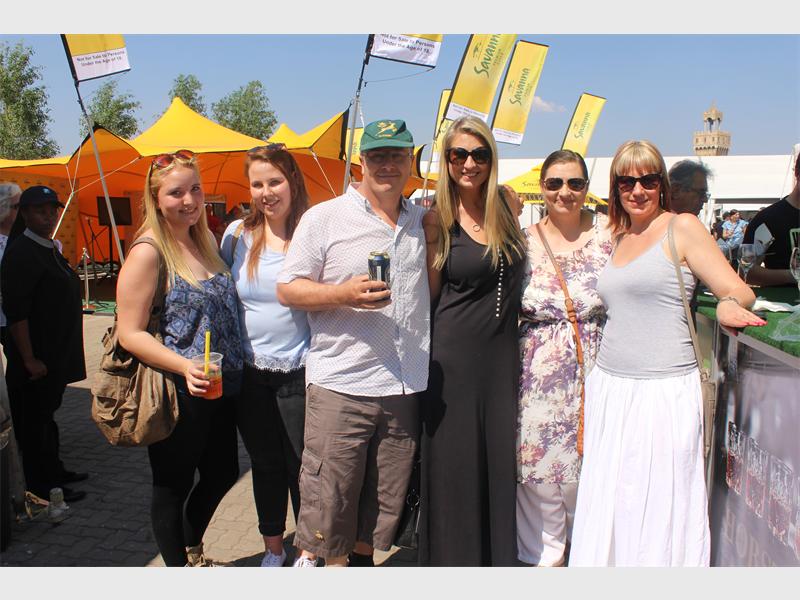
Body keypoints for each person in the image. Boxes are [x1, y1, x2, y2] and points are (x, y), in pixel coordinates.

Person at [569, 140, 765, 567]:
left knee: (659, 508)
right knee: (613, 504)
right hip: (612, 389)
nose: (637, 190)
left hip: (663, 392)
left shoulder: (683, 227)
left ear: (662, 185)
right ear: (615, 187)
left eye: (648, 180)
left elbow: (738, 289)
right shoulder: (619, 236)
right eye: (626, 182)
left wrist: (729, 305)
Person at [276, 119, 429, 568]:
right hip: (342, 385)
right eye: (378, 155)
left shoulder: (423, 220)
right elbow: (288, 288)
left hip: (403, 386)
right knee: (331, 504)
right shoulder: (324, 217)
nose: (387, 164)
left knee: (380, 506)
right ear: (361, 161)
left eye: (396, 155)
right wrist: (342, 294)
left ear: (410, 161)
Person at [115, 150, 243, 567]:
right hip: (178, 390)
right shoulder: (149, 251)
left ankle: (190, 546)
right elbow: (129, 333)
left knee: (223, 473)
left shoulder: (204, 241)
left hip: (220, 385)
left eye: (195, 189)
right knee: (172, 486)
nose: (189, 201)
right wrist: (184, 366)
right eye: (176, 193)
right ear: (155, 199)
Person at [419, 116, 526, 566]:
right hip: (454, 361)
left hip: (502, 359)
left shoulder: (507, 207)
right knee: (456, 468)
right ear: (446, 160)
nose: (469, 163)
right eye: (459, 154)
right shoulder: (436, 219)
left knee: (498, 464)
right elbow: (430, 298)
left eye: (479, 154)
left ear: (491, 159)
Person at [516, 150, 613, 567]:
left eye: (574, 183)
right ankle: (542, 557)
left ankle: (586, 551)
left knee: (590, 465)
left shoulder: (611, 233)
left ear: (587, 187)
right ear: (542, 188)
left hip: (599, 367)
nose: (564, 192)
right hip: (535, 374)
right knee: (536, 465)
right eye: (554, 183)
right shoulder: (522, 241)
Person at [220, 144, 310, 567]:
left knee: (303, 467)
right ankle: (274, 548)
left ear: (292, 181)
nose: (266, 192)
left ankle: (308, 549)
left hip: (301, 371)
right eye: (257, 184)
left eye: (274, 181)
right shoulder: (237, 235)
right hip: (251, 374)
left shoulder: (312, 231)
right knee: (265, 463)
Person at [0, 186, 88, 504]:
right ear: (24, 213)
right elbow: (17, 314)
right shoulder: (22, 253)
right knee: (34, 423)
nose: (49, 217)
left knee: (46, 417)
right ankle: (42, 486)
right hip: (37, 360)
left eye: (52, 211)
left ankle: (55, 471)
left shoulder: (47, 246)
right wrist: (29, 359)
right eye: (40, 211)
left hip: (55, 355)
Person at [742, 153, 800, 287]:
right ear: (797, 173)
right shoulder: (768, 219)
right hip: (783, 299)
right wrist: (793, 275)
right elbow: (746, 270)